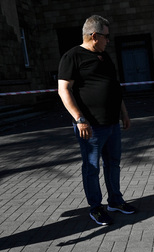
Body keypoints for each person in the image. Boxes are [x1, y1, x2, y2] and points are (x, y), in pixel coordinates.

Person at [58, 15, 136, 226]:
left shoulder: (105, 56)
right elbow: (64, 90)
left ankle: (115, 202)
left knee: (113, 164)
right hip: (90, 126)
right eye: (106, 37)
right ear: (94, 36)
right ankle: (96, 208)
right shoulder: (72, 56)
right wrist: (79, 119)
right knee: (92, 168)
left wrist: (124, 113)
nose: (108, 41)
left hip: (112, 123)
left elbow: (114, 87)